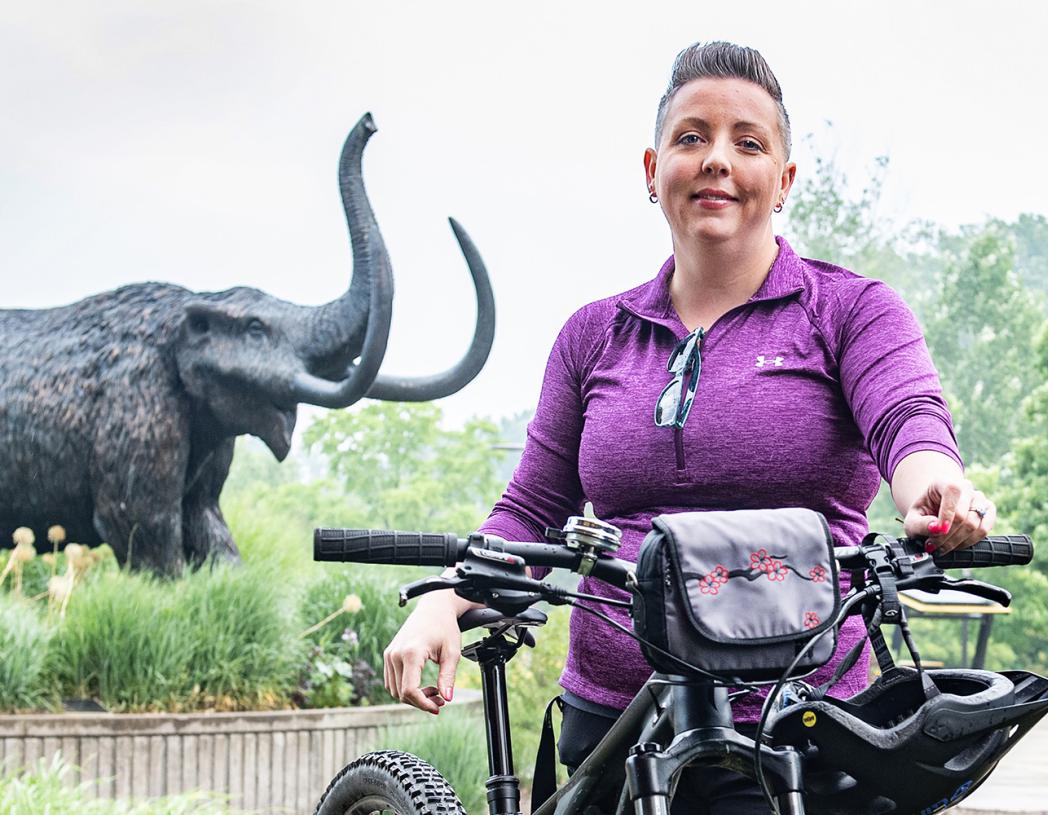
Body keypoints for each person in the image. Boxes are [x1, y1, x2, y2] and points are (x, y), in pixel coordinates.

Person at [383, 41, 996, 813]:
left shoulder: (850, 311)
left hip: (800, 725)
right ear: (651, 171)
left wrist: (936, 488)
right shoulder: (593, 334)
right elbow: (533, 507)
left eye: (747, 143)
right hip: (612, 727)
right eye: (690, 137)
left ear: (783, 181)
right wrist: (443, 600)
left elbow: (908, 419)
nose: (716, 160)